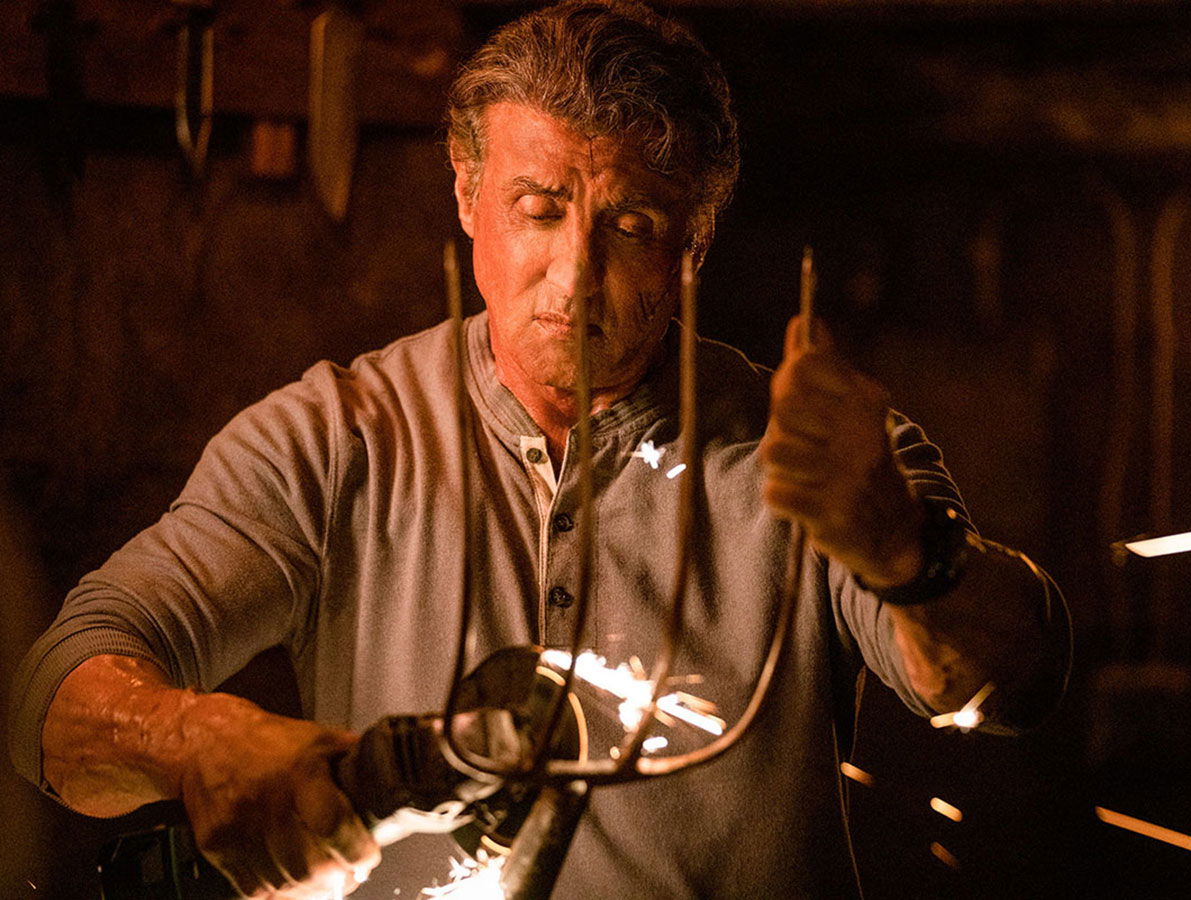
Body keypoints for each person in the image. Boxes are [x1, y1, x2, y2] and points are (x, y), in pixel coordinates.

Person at [9, 2, 1070, 897]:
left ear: (695, 241)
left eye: (632, 225)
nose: (574, 272)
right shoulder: (334, 438)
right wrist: (195, 743)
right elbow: (50, 698)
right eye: (540, 209)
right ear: (467, 194)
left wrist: (905, 552)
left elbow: (1012, 686)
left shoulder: (814, 455)